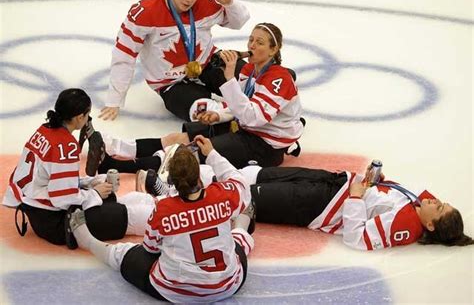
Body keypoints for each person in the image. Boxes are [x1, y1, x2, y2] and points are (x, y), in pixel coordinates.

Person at [95, 22, 304, 172]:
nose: (252, 46)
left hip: (265, 145)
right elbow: (239, 106)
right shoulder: (249, 69)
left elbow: (252, 117)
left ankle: (115, 165)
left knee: (189, 155)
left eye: (260, 43)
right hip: (245, 129)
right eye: (251, 40)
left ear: (273, 49)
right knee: (177, 139)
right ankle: (114, 146)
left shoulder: (279, 79)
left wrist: (228, 79)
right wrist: (219, 116)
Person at [68, 136, 255, 303]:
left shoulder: (164, 209)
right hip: (228, 284)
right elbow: (239, 182)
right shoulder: (222, 195)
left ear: (172, 180)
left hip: (177, 290)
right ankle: (243, 224)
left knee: (125, 253)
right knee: (232, 242)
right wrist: (212, 153)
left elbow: (151, 248)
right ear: (199, 176)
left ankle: (88, 242)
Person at [133, 161, 473, 251]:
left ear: (430, 226)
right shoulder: (416, 203)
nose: (434, 200)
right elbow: (381, 192)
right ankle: (169, 169)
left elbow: (357, 238)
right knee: (254, 173)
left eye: (439, 208)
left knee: (246, 194)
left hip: (318, 205)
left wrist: (355, 197)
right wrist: (372, 179)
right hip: (332, 182)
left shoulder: (405, 227)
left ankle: (169, 192)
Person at [2, 89, 155, 247]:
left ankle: (163, 201)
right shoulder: (66, 146)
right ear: (79, 117)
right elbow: (63, 198)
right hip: (57, 223)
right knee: (140, 217)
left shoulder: (44, 130)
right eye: (87, 114)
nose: (89, 118)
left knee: (134, 199)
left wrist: (87, 183)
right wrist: (94, 193)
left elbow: (47, 179)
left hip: (38, 212)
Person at [99, 0, 250, 121]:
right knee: (207, 115)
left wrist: (229, 3)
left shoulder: (206, 2)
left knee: (254, 83)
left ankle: (247, 113)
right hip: (170, 83)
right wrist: (114, 100)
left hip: (208, 64)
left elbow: (237, 23)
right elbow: (124, 55)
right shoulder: (145, 12)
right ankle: (242, 116)